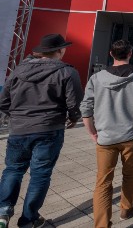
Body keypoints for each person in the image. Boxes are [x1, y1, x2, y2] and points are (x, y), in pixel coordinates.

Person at [0, 34, 83, 228]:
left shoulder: (19, 70)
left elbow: (3, 101)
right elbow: (74, 103)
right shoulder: (67, 72)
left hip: (19, 129)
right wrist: (73, 118)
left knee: (13, 169)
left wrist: (15, 118)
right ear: (59, 50)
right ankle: (29, 219)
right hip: (49, 129)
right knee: (40, 174)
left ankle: (3, 211)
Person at [80, 40, 133, 227]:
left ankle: (102, 223)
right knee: (130, 172)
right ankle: (126, 207)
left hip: (105, 136)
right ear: (130, 53)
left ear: (111, 54)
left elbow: (86, 108)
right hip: (132, 134)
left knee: (103, 182)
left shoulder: (97, 78)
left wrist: (92, 132)